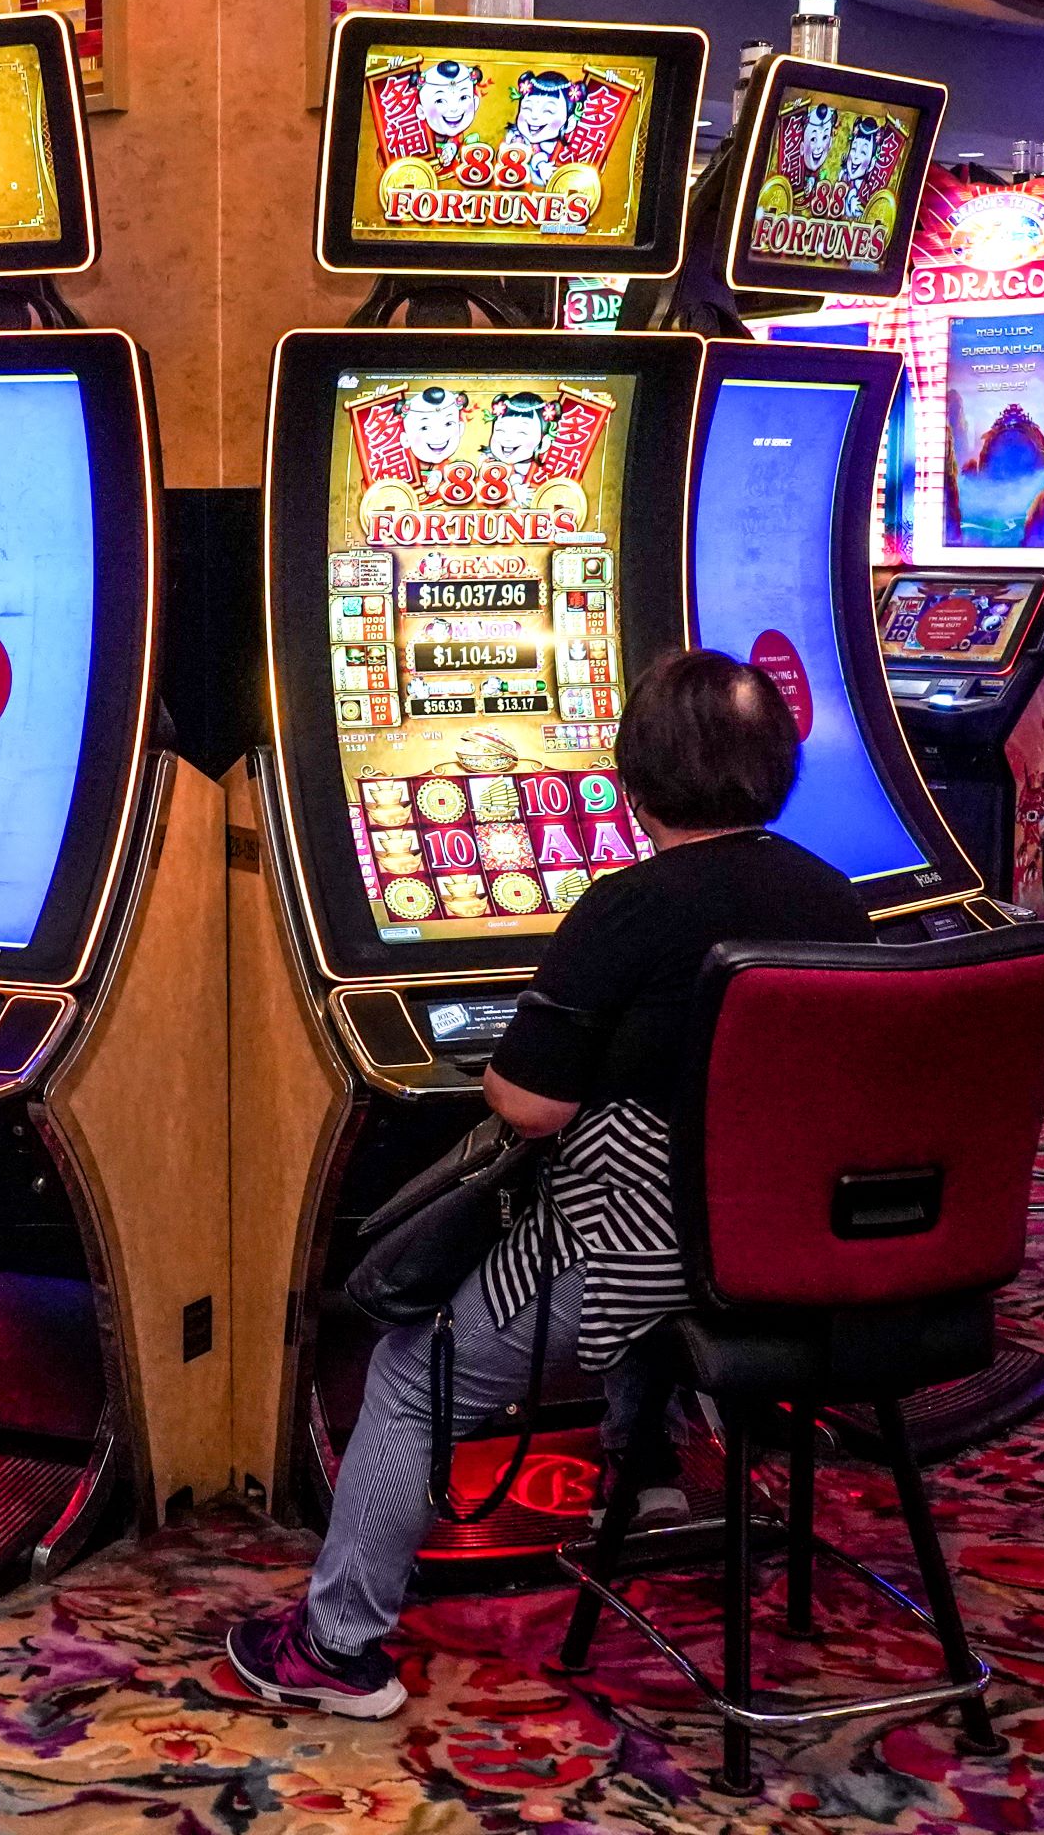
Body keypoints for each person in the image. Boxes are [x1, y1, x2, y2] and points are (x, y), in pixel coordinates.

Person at [227, 649, 875, 1719]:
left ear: (635, 776)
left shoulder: (627, 907)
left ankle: (335, 1647)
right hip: (804, 1250)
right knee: (642, 1189)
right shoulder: (834, 898)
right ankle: (647, 1474)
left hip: (657, 1257)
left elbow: (528, 1105)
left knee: (413, 1371)